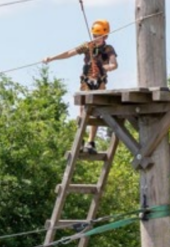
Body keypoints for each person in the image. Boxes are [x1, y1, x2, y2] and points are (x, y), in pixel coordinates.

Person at [41, 19, 118, 152]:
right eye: (94, 36)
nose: (96, 39)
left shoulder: (108, 49)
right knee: (83, 111)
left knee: (95, 112)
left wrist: (103, 67)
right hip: (86, 82)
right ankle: (80, 139)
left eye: (99, 36)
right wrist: (52, 58)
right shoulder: (88, 46)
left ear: (105, 36)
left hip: (99, 82)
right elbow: (69, 53)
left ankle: (91, 141)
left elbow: (114, 65)